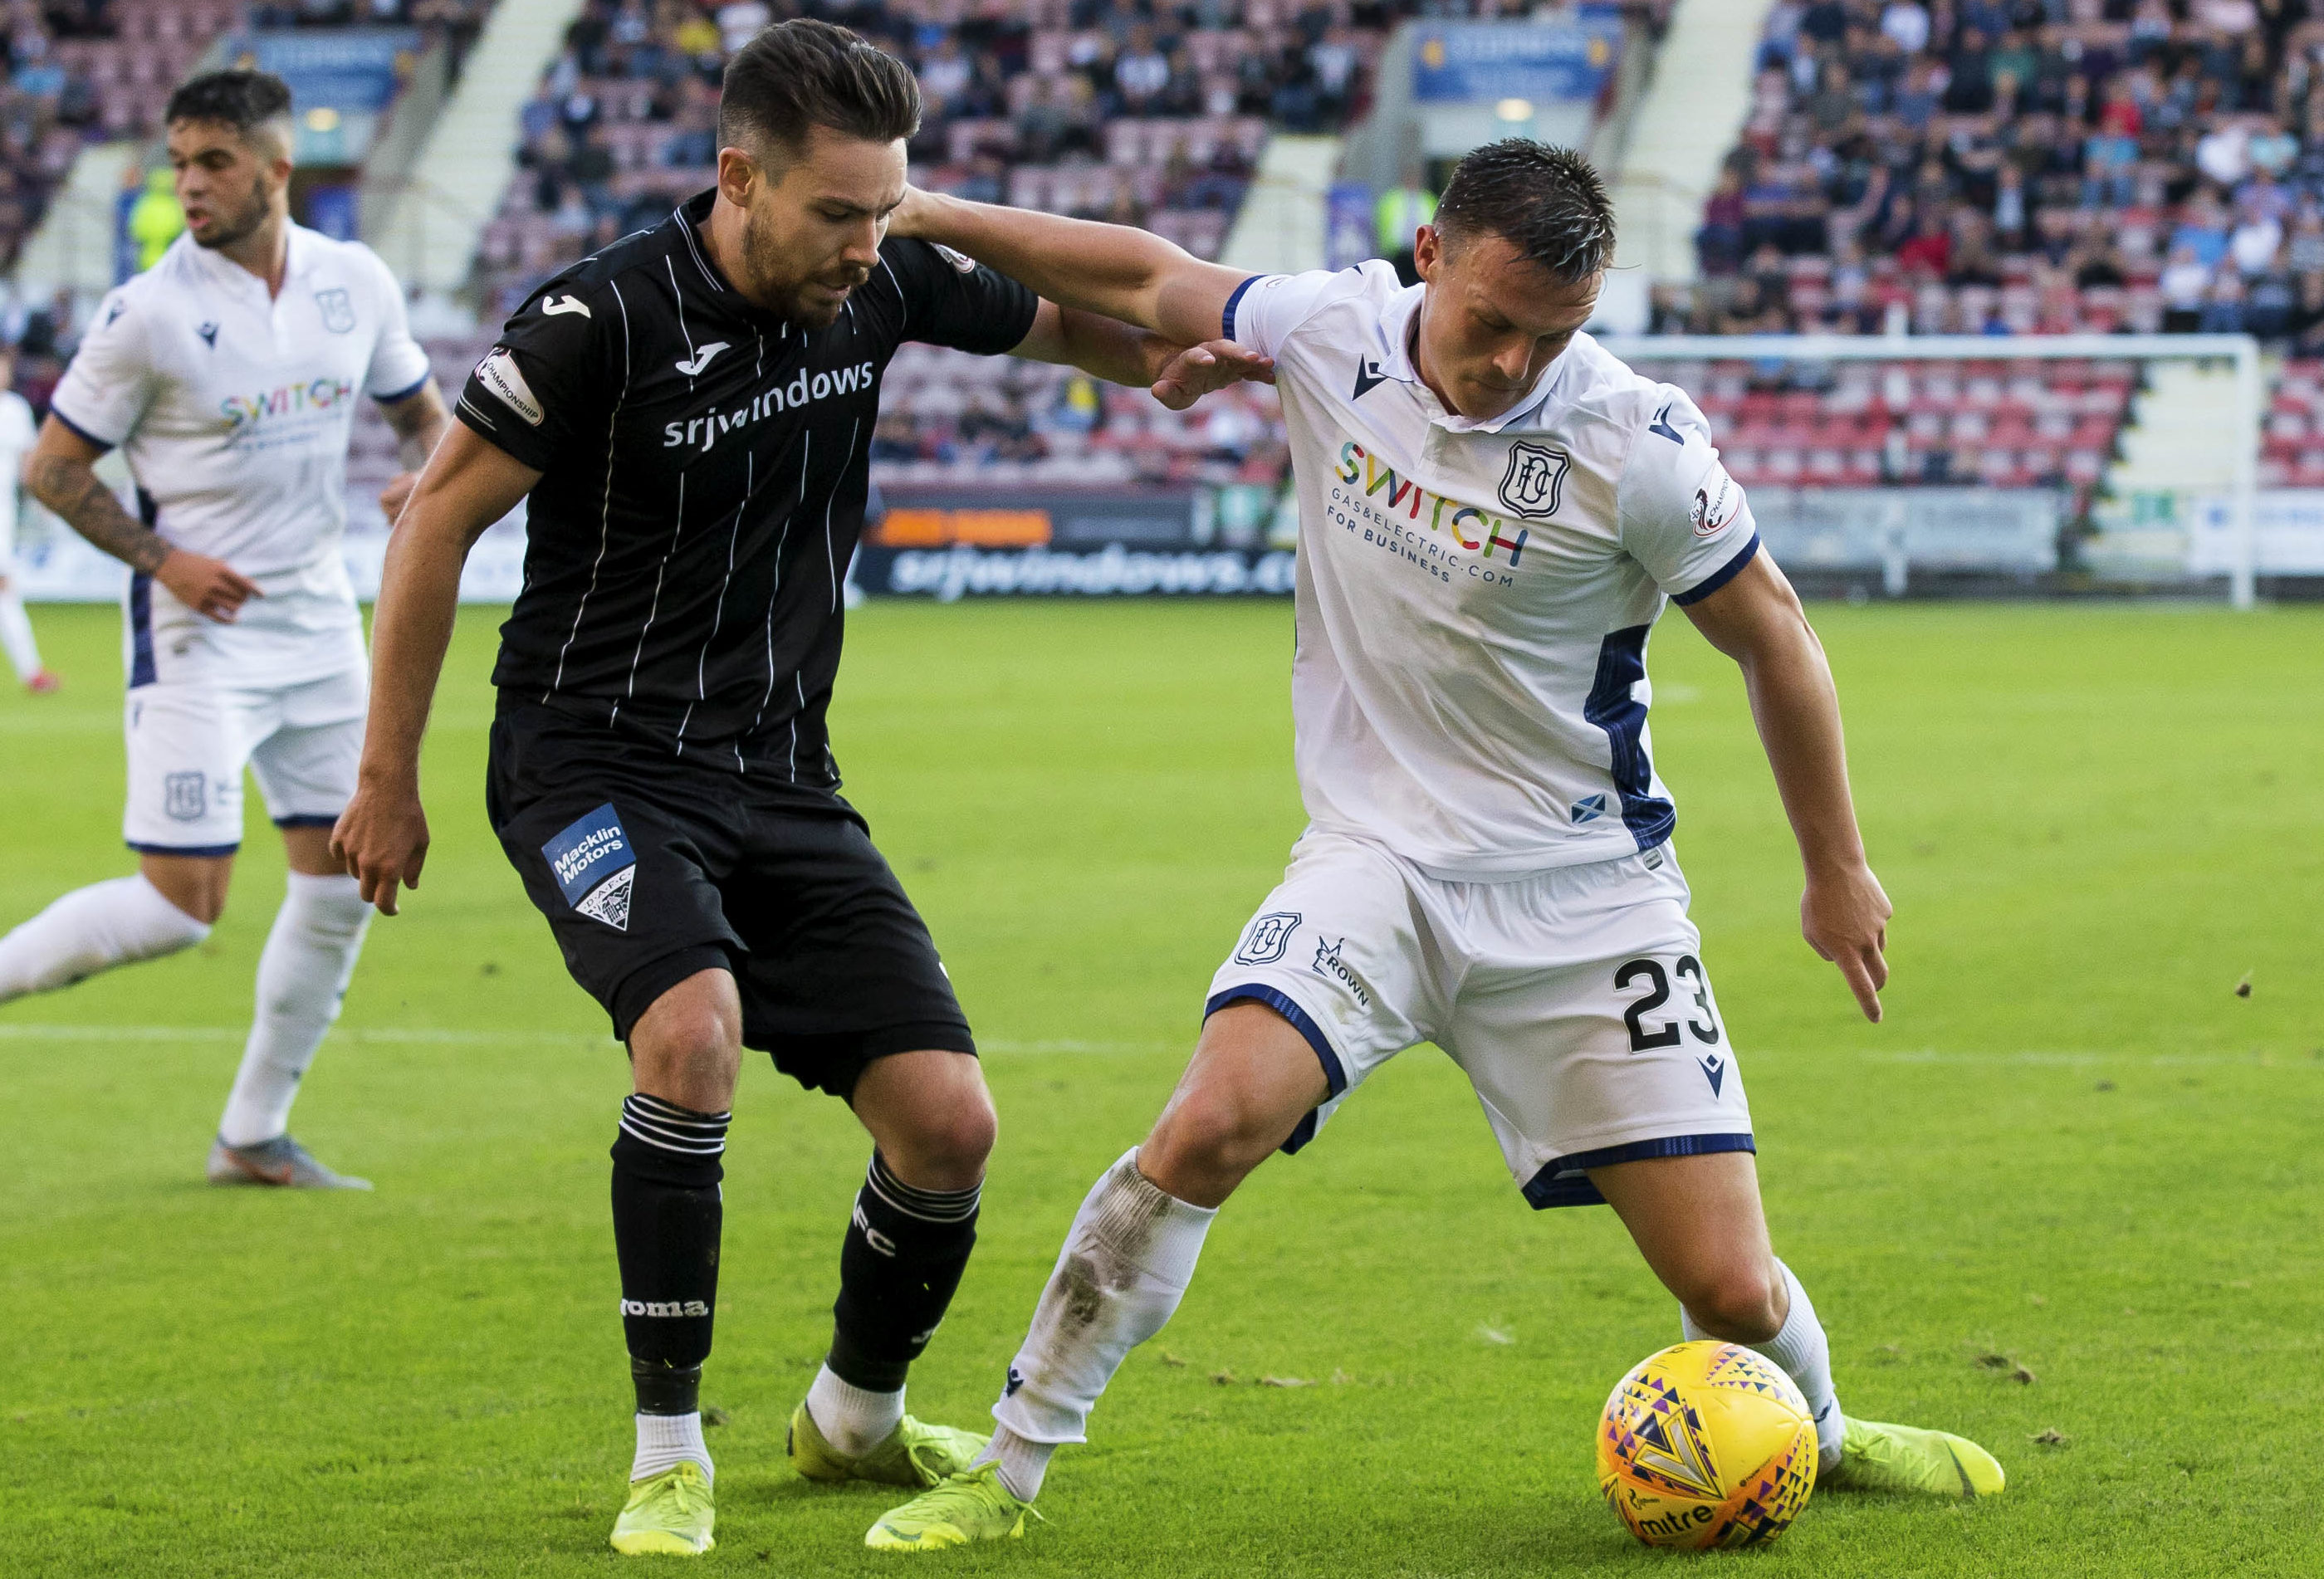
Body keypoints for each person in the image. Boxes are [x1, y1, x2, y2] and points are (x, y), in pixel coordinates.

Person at [862, 139, 2008, 1551]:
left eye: (1553, 334)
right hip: (1374, 866)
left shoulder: (1635, 443)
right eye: (1490, 321)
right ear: (1430, 257)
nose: (1511, 361)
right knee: (1207, 1124)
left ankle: (1812, 1437)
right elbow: (1147, 276)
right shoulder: (1330, 331)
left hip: (1584, 898)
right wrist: (919, 209)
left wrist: (1832, 866)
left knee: (1723, 1287)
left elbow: (1773, 631)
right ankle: (1009, 1463)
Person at [326, 19, 1261, 1560]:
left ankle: (849, 1419)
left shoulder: (878, 271)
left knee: (949, 1125)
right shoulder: (597, 319)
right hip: (588, 759)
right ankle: (664, 1452)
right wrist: (387, 780)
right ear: (736, 176)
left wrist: (1171, 359)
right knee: (690, 1033)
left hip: (777, 771)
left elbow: (1062, 326)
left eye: (884, 208)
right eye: (836, 212)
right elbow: (429, 526)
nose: (865, 243)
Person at [0, 71, 450, 1189]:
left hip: (320, 627)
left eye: (213, 162)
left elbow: (423, 423)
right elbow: (52, 470)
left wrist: (427, 483)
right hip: (195, 636)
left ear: (276, 168)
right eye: (179, 162)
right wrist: (168, 559)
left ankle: (252, 1132)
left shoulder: (355, 282)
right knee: (179, 904)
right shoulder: (146, 313)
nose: (189, 183)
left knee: (344, 881)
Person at [0, 345, 58, 693]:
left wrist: (43, 498)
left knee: (5, 589)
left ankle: (31, 670)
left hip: (2, 517)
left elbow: (28, 464)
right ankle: (31, 671)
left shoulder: (14, 410)